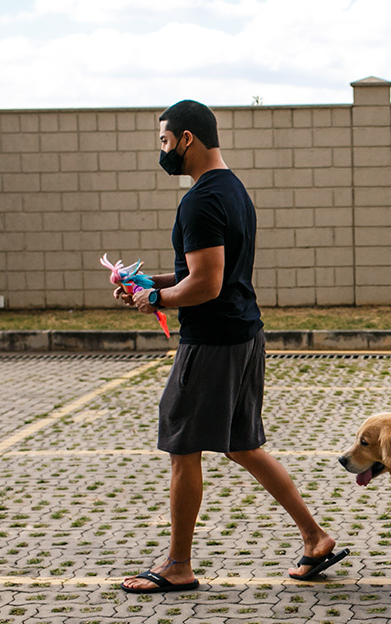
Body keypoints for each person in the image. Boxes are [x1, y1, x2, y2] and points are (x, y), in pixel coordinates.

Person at [116, 99, 347, 593]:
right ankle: (316, 538)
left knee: (183, 447)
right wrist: (150, 284)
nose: (162, 151)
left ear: (186, 139)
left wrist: (157, 298)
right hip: (244, 333)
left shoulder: (199, 200)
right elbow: (203, 272)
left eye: (164, 141)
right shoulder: (233, 190)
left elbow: (206, 284)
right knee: (242, 445)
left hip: (212, 342)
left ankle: (178, 566)